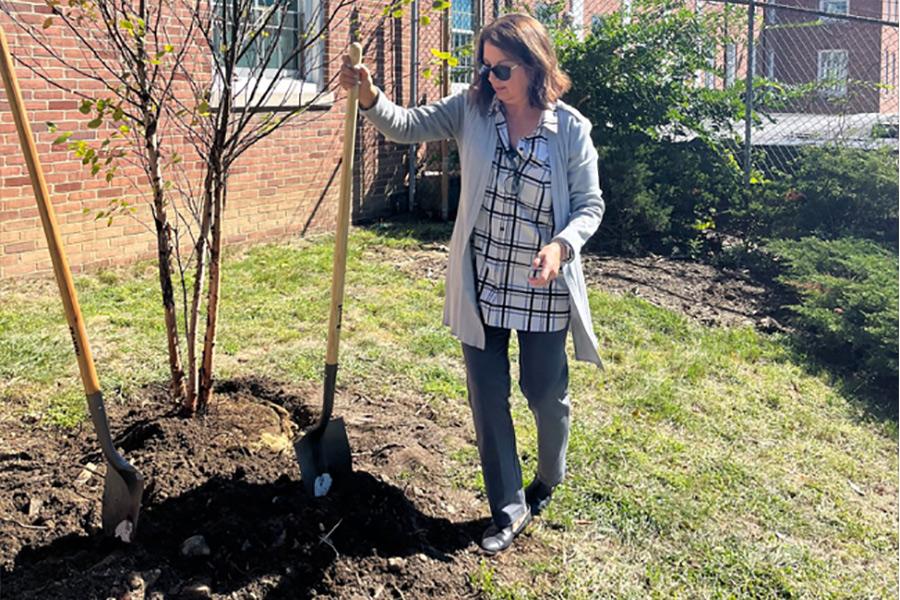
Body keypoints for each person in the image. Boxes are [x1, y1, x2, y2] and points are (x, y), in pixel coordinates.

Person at [339, 13, 604, 555]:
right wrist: (369, 98)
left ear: (534, 66)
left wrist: (560, 246)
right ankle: (508, 508)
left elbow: (589, 206)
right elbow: (407, 126)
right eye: (484, 70)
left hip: (542, 285)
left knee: (544, 393)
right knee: (487, 397)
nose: (490, 81)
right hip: (482, 281)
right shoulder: (472, 109)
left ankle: (549, 475)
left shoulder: (571, 129)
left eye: (501, 70)